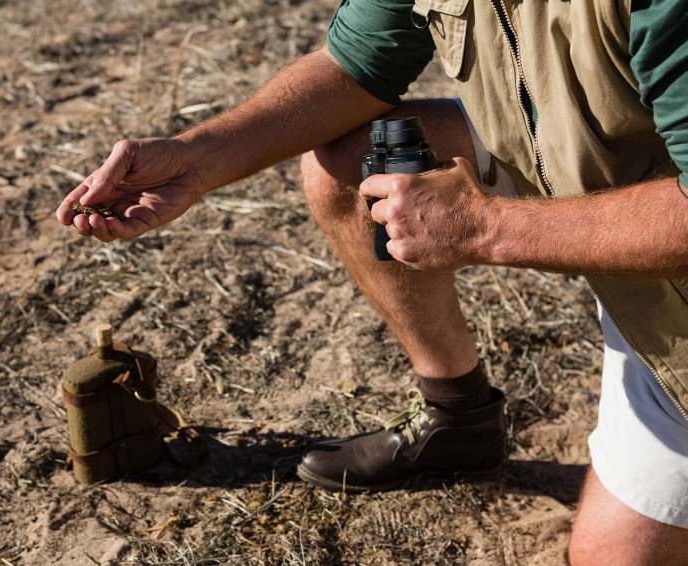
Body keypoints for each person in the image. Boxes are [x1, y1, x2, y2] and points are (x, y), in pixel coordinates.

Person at [55, 1, 688, 562]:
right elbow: (352, 67)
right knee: (356, 158)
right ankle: (455, 418)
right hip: (598, 178)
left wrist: (488, 228)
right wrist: (195, 161)